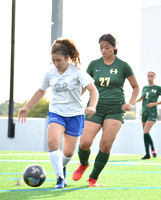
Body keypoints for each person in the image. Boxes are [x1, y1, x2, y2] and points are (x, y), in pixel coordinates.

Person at [18, 39, 99, 189]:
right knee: (52, 143)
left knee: (68, 153)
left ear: (67, 57)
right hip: (57, 112)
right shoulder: (50, 74)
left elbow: (93, 90)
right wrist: (27, 107)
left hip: (75, 115)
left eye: (59, 60)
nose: (56, 63)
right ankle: (60, 178)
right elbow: (41, 91)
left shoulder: (77, 72)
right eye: (53, 60)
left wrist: (92, 106)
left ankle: (61, 168)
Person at [72, 34, 139, 187]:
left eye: (107, 48)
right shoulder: (94, 64)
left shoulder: (123, 65)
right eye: (101, 47)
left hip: (115, 109)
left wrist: (131, 103)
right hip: (95, 108)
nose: (103, 50)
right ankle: (83, 164)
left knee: (106, 144)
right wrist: (74, 101)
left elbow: (135, 87)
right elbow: (83, 86)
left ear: (114, 47)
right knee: (84, 143)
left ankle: (93, 178)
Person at [136, 71, 161, 159]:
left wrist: (154, 104)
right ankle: (147, 154)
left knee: (146, 131)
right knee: (145, 134)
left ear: (154, 77)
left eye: (151, 76)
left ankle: (153, 149)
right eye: (148, 76)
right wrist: (133, 102)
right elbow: (142, 97)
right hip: (144, 112)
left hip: (152, 113)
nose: (150, 77)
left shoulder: (158, 88)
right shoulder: (145, 87)